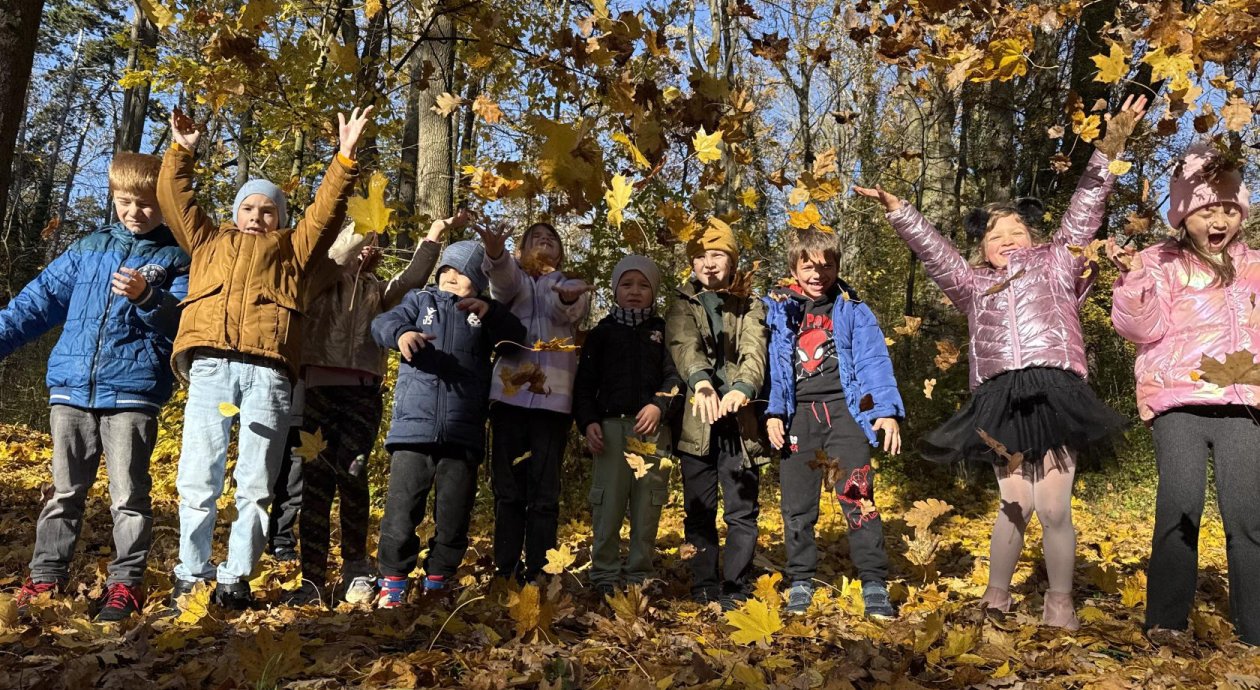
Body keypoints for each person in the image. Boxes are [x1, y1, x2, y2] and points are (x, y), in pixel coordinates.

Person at [855, 95, 1147, 630]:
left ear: (1033, 236)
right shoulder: (971, 285)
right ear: (982, 247)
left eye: (1016, 231)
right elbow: (935, 252)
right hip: (999, 395)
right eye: (994, 235)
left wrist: (1113, 142)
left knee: (1054, 505)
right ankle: (997, 596)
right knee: (1014, 503)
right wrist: (900, 210)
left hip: (1054, 390)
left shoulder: (1060, 262)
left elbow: (1086, 208)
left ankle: (1059, 600)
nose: (1007, 240)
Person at [158, 105, 372, 610]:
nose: (257, 217)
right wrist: (181, 151)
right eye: (248, 208)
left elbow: (326, 212)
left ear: (280, 217)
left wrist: (343, 158)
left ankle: (236, 578)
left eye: (268, 210)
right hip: (210, 365)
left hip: (269, 372)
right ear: (235, 214)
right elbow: (175, 199)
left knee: (255, 482)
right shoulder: (208, 241)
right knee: (199, 476)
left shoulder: (295, 251)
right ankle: (190, 574)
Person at [4, 153, 190, 621]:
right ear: (113, 198)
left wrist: (148, 297)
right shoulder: (89, 247)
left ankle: (124, 586)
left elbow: (186, 323)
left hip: (134, 390)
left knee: (128, 496)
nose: (134, 212)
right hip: (70, 388)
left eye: (146, 204)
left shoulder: (178, 255)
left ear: (164, 203)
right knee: (64, 492)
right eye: (125, 202)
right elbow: (37, 302)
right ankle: (46, 577)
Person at [1108, 141, 1259, 646]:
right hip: (1179, 401)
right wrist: (1132, 282)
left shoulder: (1256, 265)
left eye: (1229, 210)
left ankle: (1255, 628)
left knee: (1248, 517)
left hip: (1244, 405)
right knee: (1180, 507)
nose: (1220, 221)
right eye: (1207, 211)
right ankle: (1166, 623)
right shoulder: (1159, 261)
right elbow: (1141, 330)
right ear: (1183, 213)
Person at [279, 212, 466, 606]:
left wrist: (434, 235)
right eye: (360, 237)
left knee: (353, 475)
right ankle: (311, 578)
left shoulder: (378, 291)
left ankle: (355, 570)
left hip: (363, 394)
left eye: (375, 240)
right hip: (316, 392)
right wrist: (357, 231)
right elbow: (330, 260)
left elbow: (412, 278)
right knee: (314, 482)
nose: (368, 245)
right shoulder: (319, 282)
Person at [371, 240, 525, 607]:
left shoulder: (484, 315)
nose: (453, 279)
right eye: (447, 272)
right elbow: (382, 322)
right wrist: (402, 334)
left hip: (463, 432)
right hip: (412, 431)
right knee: (401, 511)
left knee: (454, 512)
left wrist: (489, 312)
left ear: (478, 281)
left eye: (463, 275)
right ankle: (393, 581)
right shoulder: (419, 302)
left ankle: (439, 579)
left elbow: (515, 339)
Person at [762, 229, 904, 617]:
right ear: (794, 267)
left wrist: (885, 412)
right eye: (808, 265)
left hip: (844, 414)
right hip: (799, 417)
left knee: (858, 496)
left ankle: (873, 581)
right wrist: (773, 412)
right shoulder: (778, 310)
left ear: (838, 267)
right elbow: (770, 369)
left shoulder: (853, 309)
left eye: (827, 265)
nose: (817, 273)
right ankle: (801, 580)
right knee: (796, 505)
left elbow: (874, 362)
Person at [474, 221, 590, 583]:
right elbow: (503, 281)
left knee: (544, 492)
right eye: (535, 239)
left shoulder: (571, 286)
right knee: (508, 489)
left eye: (551, 239)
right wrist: (496, 253)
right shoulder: (516, 282)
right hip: (509, 398)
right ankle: (505, 569)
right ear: (522, 251)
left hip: (553, 403)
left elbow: (566, 312)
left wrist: (567, 293)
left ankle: (539, 569)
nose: (544, 243)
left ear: (560, 251)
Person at [665, 221, 768, 610]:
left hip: (741, 424)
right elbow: (683, 345)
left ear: (732, 259)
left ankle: (735, 587)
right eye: (700, 256)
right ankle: (704, 584)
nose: (708, 264)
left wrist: (743, 388)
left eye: (717, 254)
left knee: (742, 510)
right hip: (697, 422)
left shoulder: (751, 304)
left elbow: (755, 352)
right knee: (699, 510)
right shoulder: (681, 302)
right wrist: (701, 383)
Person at [573, 255, 682, 596]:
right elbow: (584, 385)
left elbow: (675, 377)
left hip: (651, 433)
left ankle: (640, 576)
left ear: (654, 293)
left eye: (643, 285)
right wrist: (588, 422)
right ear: (615, 290)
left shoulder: (663, 332)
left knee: (648, 505)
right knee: (608, 504)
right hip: (610, 431)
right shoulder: (602, 333)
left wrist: (659, 405)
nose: (635, 292)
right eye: (627, 284)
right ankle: (604, 576)